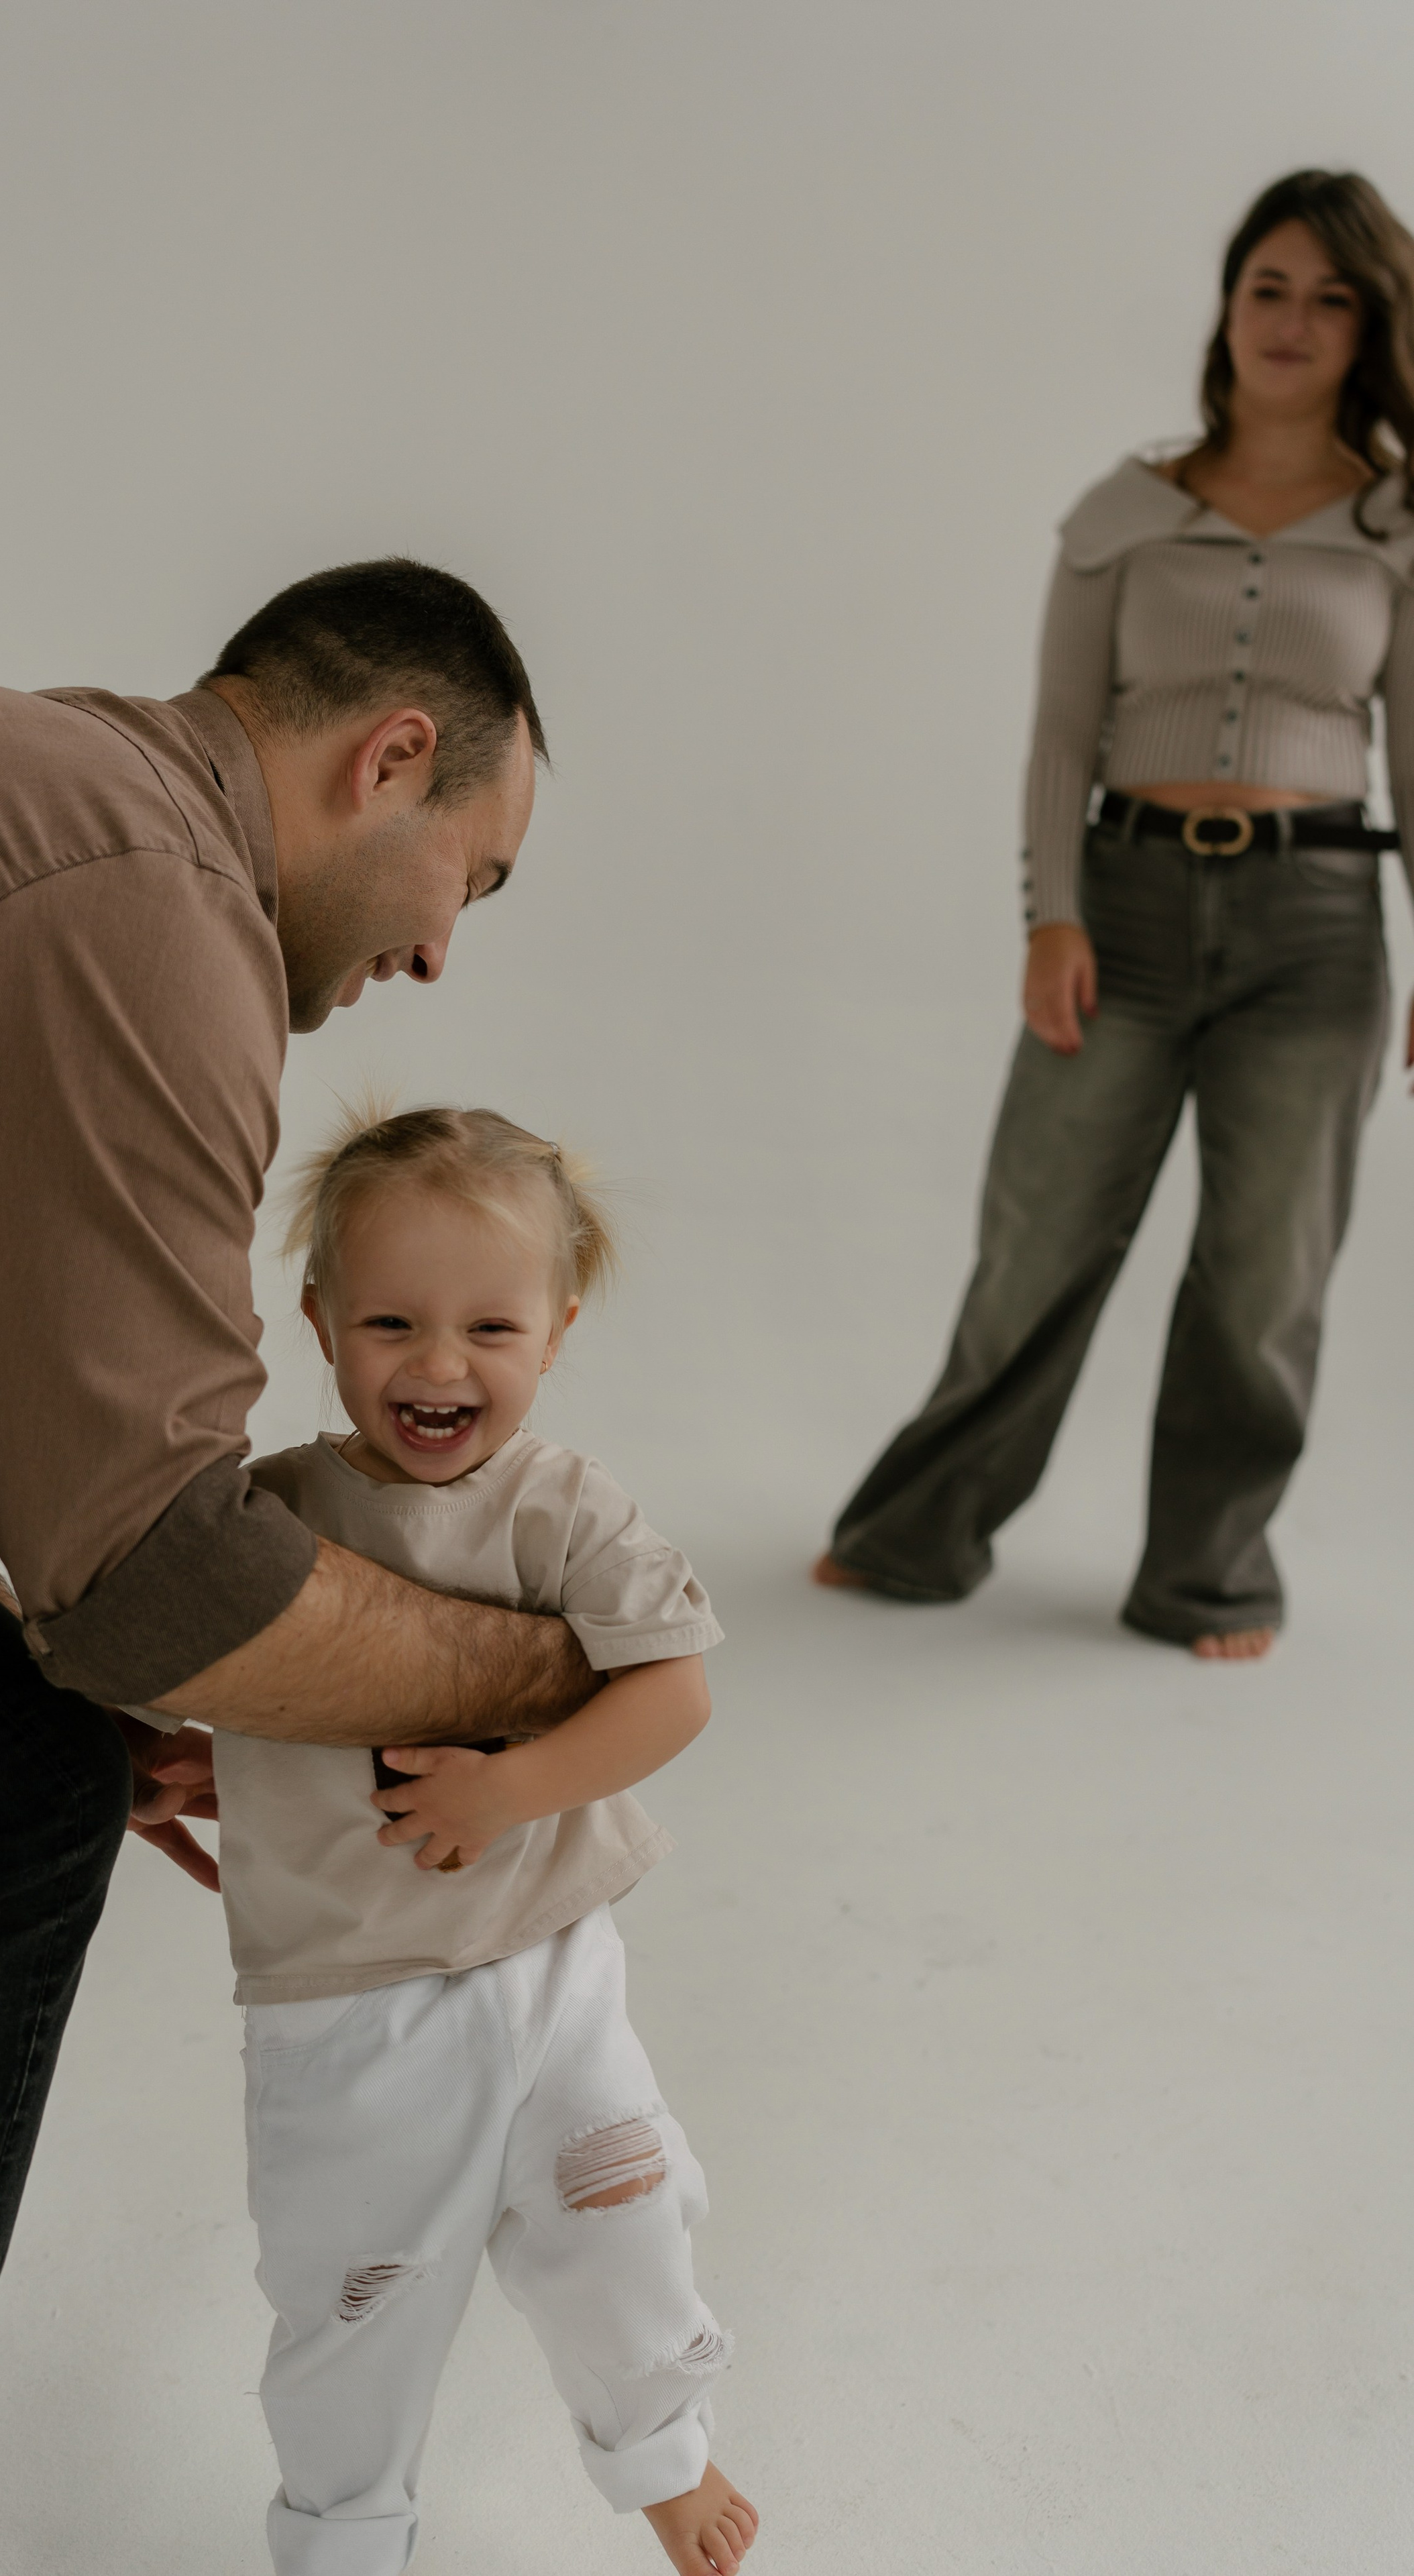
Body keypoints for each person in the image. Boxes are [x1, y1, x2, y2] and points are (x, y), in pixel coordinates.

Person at [0, 563, 608, 2574]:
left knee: (5, 1742)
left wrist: (29, 1665)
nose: (445, 953)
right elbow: (142, 1568)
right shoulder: (151, 901)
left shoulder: (38, 810)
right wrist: (552, 1682)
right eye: (476, 872)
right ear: (388, 760)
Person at [816, 169, 1414, 1658]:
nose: (1289, 320)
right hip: (1125, 912)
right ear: (1227, 304)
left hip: (1320, 927)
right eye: (1265, 286)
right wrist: (1050, 916)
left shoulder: (1399, 523)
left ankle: (1205, 1580)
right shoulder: (1123, 509)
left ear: (1370, 326)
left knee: (1265, 1275)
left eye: (1328, 296)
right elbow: (1054, 735)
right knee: (1033, 1243)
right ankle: (916, 1533)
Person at [219, 1106, 759, 2576]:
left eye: (488, 1328)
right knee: (354, 2299)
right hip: (347, 1996)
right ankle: (343, 2534)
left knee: (624, 2205)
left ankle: (658, 2445)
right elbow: (186, 1654)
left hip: (551, 1954)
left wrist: (509, 1792)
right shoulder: (274, 1512)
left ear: (556, 1330)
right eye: (389, 1321)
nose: (438, 1366)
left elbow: (674, 1690)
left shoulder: (566, 1509)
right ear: (320, 1319)